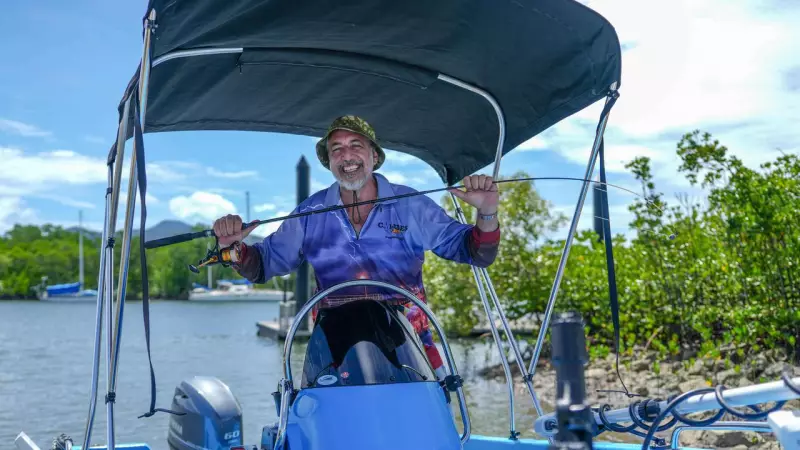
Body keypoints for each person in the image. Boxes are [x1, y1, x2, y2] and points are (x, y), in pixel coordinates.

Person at [213, 115, 500, 380]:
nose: (346, 155)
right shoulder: (310, 211)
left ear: (374, 156)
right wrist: (234, 248)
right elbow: (264, 263)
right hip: (333, 350)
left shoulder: (411, 204)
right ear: (329, 161)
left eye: (355, 145)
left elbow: (475, 252)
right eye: (336, 148)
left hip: (411, 344)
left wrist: (487, 212)